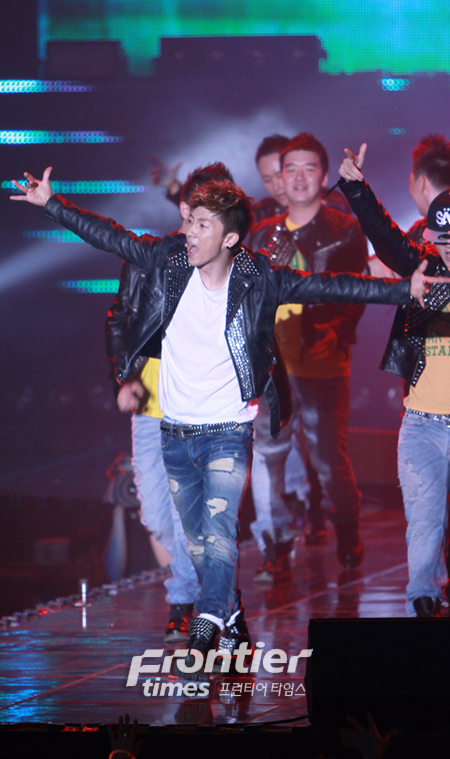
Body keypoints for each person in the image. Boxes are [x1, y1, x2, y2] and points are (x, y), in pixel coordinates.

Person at [11, 168, 441, 672]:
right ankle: (232, 619)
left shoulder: (259, 278)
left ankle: (206, 626)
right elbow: (111, 236)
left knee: (217, 535)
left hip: (227, 434)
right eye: (190, 221)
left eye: (202, 225)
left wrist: (403, 289)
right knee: (198, 545)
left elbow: (335, 286)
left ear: (230, 237)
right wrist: (52, 204)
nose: (190, 233)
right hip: (174, 432)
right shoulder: (168, 260)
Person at [106, 164, 234, 644]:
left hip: (202, 411)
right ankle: (208, 597)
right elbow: (119, 317)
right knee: (157, 516)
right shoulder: (150, 256)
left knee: (190, 516)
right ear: (184, 208)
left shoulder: (232, 263)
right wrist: (124, 378)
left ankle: (186, 602)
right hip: (151, 405)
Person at [338, 142, 450, 617]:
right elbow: (387, 240)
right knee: (423, 523)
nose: (448, 248)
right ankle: (422, 602)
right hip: (422, 424)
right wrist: (357, 189)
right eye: (443, 239)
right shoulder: (423, 269)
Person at [250, 133, 368, 575]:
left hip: (323, 362)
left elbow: (358, 292)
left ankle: (347, 529)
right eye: (291, 169)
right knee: (268, 457)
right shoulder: (262, 234)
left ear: (323, 176)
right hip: (273, 367)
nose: (299, 177)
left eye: (309, 168)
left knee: (328, 461)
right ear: (279, 179)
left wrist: (336, 331)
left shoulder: (345, 230)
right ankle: (275, 546)